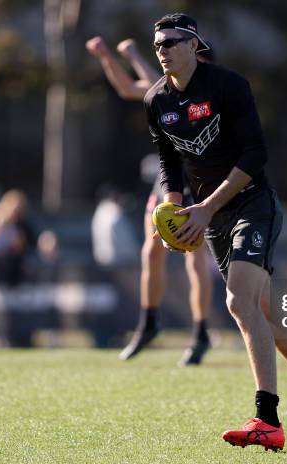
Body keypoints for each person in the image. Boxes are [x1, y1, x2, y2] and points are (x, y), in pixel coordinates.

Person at [144, 13, 287, 450]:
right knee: (270, 322)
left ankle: (267, 419)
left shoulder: (228, 86)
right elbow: (170, 161)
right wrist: (174, 214)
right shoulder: (156, 101)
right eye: (157, 44)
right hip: (213, 216)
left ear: (194, 45)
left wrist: (206, 208)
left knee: (237, 301)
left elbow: (256, 154)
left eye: (172, 41)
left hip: (252, 204)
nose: (163, 50)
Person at [86, 34, 214, 365]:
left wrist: (129, 53)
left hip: (196, 183)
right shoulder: (168, 91)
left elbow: (151, 81)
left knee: (194, 260)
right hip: (165, 181)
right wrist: (106, 57)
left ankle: (200, 332)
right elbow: (130, 88)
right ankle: (150, 323)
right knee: (151, 253)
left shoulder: (207, 94)